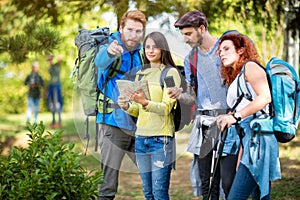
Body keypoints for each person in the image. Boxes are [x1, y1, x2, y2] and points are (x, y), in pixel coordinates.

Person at [173, 10, 231, 200]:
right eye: (183, 35)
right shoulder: (191, 59)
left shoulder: (225, 49)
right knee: (205, 179)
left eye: (188, 34)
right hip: (204, 123)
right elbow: (193, 97)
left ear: (202, 28)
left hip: (229, 121)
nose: (185, 39)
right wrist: (181, 95)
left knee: (227, 180)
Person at [216, 33, 281, 199]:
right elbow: (245, 117)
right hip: (250, 140)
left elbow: (265, 97)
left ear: (241, 50)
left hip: (259, 141)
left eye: (226, 48)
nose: (221, 53)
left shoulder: (250, 67)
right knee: (260, 196)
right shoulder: (238, 75)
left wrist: (234, 116)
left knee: (236, 197)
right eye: (220, 50)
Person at [118, 31, 181, 200]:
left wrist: (144, 102)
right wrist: (127, 106)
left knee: (159, 193)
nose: (151, 50)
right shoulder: (141, 74)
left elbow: (167, 108)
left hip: (161, 140)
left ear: (163, 49)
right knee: (148, 193)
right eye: (147, 47)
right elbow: (139, 111)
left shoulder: (169, 73)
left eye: (155, 47)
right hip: (141, 139)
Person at [94, 10, 146, 200]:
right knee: (108, 186)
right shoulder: (112, 45)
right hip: (112, 125)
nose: (134, 35)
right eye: (130, 30)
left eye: (138, 31)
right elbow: (100, 61)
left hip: (137, 124)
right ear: (121, 28)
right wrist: (108, 52)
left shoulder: (139, 52)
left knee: (151, 176)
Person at [47, 55, 63, 129]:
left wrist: (54, 56)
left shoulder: (57, 66)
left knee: (57, 103)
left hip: (56, 86)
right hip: (51, 86)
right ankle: (53, 121)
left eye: (50, 60)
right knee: (52, 103)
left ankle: (59, 122)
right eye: (48, 60)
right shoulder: (50, 68)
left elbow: (60, 59)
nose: (49, 61)